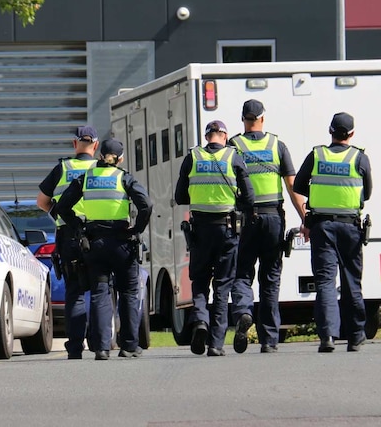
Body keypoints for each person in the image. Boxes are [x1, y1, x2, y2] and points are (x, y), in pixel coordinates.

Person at [54, 138, 153, 360]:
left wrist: (78, 227)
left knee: (100, 292)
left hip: (94, 242)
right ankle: (128, 345)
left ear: (100, 156)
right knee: (128, 292)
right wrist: (136, 228)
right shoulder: (124, 177)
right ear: (120, 158)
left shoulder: (86, 178)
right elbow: (146, 204)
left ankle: (100, 347)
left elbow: (62, 206)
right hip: (122, 242)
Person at [228, 99, 305, 354]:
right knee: (270, 279)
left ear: (243, 120)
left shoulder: (234, 146)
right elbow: (292, 187)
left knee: (242, 273)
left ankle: (242, 312)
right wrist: (306, 218)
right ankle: (269, 340)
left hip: (246, 218)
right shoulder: (277, 145)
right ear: (262, 118)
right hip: (273, 216)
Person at [293, 112, 372, 353]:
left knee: (325, 282)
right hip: (350, 226)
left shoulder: (317, 155)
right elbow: (367, 192)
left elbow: (298, 185)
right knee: (351, 281)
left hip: (322, 226)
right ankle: (356, 337)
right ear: (351, 134)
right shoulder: (360, 157)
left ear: (330, 131)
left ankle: (328, 336)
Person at [174, 120, 255, 357]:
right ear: (225, 136)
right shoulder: (233, 157)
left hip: (199, 228)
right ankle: (216, 344)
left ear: (207, 135)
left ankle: (200, 321)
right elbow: (249, 197)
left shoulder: (193, 157)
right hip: (227, 229)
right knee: (222, 284)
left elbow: (180, 196)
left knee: (199, 281)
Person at [37, 125, 99, 359]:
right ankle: (98, 340)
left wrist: (59, 214)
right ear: (96, 145)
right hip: (96, 234)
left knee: (74, 291)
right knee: (98, 290)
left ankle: (74, 346)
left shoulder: (62, 168)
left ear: (75, 144)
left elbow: (41, 201)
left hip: (69, 235)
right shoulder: (101, 169)